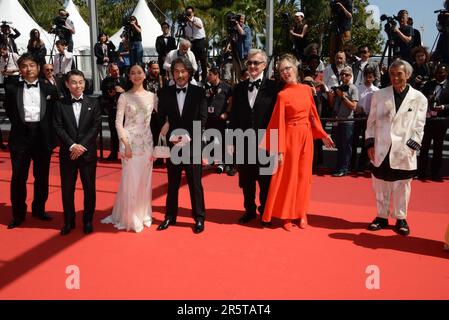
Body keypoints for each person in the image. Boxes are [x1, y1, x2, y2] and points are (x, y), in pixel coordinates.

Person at [261, 54, 334, 231]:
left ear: (295, 67)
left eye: (287, 68)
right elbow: (277, 122)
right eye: (281, 70)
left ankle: (301, 213)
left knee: (304, 178)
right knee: (289, 178)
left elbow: (313, 115)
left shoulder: (307, 90)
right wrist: (279, 150)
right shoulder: (282, 95)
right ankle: (286, 217)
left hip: (306, 137)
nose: (285, 72)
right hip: (290, 139)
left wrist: (323, 134)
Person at [366, 59, 427, 236]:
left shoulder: (419, 98)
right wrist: (370, 142)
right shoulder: (379, 95)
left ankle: (401, 218)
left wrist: (412, 146)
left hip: (404, 149)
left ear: (407, 75)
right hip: (381, 146)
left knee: (402, 186)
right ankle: (381, 216)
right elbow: (371, 122)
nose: (394, 78)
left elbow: (419, 125)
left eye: (398, 74)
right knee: (380, 184)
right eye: (392, 74)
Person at [4, 53, 58, 229]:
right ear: (20, 69)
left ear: (38, 67)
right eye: (25, 66)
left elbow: (54, 114)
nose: (28, 69)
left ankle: (39, 209)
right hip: (20, 138)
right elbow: (11, 111)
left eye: (32, 65)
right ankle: (18, 214)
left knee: (41, 177)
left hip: (42, 138)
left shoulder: (49, 88)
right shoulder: (12, 89)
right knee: (19, 177)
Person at [101, 64, 156, 232]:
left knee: (144, 181)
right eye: (133, 73)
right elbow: (118, 123)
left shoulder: (153, 96)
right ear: (129, 77)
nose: (137, 75)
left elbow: (164, 115)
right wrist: (125, 143)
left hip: (146, 144)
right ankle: (130, 216)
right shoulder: (124, 97)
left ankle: (142, 213)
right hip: (129, 143)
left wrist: (168, 124)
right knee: (130, 180)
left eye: (139, 72)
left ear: (145, 75)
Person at [157, 57, 207, 234]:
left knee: (195, 183)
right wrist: (169, 133)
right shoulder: (164, 93)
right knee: (172, 183)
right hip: (173, 145)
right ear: (172, 73)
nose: (180, 74)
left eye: (183, 71)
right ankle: (170, 216)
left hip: (192, 145)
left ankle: (199, 218)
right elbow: (160, 119)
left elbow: (202, 119)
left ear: (189, 72)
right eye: (176, 71)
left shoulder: (199, 92)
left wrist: (189, 137)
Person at [228, 49, 279, 225]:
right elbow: (234, 116)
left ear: (264, 65)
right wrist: (231, 141)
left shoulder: (274, 87)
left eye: (256, 63)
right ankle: (249, 210)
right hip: (243, 142)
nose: (252, 66)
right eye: (249, 62)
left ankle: (265, 212)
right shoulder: (239, 88)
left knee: (265, 181)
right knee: (246, 181)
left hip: (267, 143)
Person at [53, 70, 102, 235]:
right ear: (67, 85)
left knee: (89, 189)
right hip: (68, 154)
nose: (78, 85)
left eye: (81, 82)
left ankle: (88, 221)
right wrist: (72, 145)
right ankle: (69, 221)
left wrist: (81, 146)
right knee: (67, 190)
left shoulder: (93, 102)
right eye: (74, 82)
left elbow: (96, 127)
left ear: (85, 83)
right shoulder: (60, 104)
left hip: (87, 154)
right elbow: (58, 127)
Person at [417, 64, 449, 181]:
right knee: (424, 146)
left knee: (438, 147)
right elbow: (421, 98)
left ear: (446, 73)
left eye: (442, 73)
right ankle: (421, 172)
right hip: (428, 119)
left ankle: (435, 173)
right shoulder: (429, 84)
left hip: (441, 121)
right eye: (437, 73)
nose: (440, 75)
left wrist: (443, 107)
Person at [204, 66, 233, 174]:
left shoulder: (226, 87)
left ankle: (223, 162)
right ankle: (211, 161)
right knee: (210, 140)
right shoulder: (206, 86)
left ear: (216, 75)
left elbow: (231, 101)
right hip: (209, 119)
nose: (208, 77)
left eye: (210, 75)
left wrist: (227, 113)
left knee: (222, 141)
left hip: (220, 119)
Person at [330, 66, 358, 177]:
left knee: (346, 146)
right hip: (338, 121)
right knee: (340, 145)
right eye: (342, 74)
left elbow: (354, 107)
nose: (344, 76)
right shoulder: (339, 88)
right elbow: (333, 106)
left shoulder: (353, 88)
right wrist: (331, 96)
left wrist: (343, 97)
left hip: (348, 121)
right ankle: (339, 167)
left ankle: (345, 168)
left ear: (350, 76)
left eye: (346, 74)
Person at [351, 66, 379, 173]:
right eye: (366, 77)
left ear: (374, 78)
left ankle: (363, 165)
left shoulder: (377, 91)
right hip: (358, 117)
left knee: (366, 142)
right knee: (354, 141)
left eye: (371, 77)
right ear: (364, 76)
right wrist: (358, 108)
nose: (368, 79)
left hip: (370, 119)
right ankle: (352, 164)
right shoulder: (357, 88)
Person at [100, 63, 126, 161]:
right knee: (113, 132)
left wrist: (123, 91)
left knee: (124, 133)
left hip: (124, 111)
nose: (116, 72)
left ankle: (125, 153)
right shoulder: (106, 81)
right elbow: (103, 97)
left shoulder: (124, 80)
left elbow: (131, 94)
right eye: (114, 70)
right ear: (109, 71)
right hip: (112, 109)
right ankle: (113, 153)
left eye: (117, 70)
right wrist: (110, 94)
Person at [184, 6, 207, 82]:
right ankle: (196, 78)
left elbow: (200, 26)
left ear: (193, 13)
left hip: (200, 41)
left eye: (190, 12)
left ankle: (204, 78)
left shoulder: (197, 19)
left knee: (203, 59)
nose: (188, 14)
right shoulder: (186, 23)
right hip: (192, 42)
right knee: (194, 60)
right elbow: (186, 35)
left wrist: (191, 21)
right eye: (187, 12)